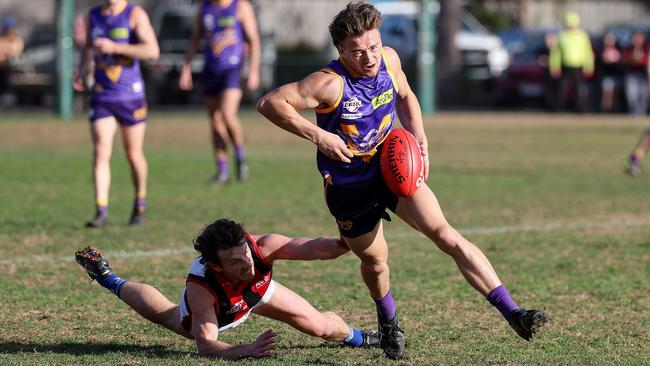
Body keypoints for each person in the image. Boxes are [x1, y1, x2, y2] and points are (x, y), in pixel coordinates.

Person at [257, 2, 547, 360]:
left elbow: (407, 97)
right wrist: (319, 137)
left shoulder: (390, 61)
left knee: (446, 235)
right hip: (350, 190)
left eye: (374, 47)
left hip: (390, 168)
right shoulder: (329, 84)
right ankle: (388, 319)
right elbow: (270, 103)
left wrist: (420, 138)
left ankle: (513, 312)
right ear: (342, 52)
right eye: (358, 52)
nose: (369, 58)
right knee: (377, 262)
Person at [75, 218, 379, 360]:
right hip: (219, 312)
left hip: (258, 294)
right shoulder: (201, 288)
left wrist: (347, 240)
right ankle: (108, 277)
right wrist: (244, 350)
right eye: (235, 262)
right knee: (164, 314)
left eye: (245, 253)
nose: (246, 264)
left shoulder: (260, 248)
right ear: (216, 265)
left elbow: (316, 248)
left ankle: (364, 337)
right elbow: (206, 346)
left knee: (323, 327)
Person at [74, 0, 159, 227]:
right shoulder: (93, 15)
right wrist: (82, 72)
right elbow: (89, 48)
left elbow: (152, 50)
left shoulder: (134, 14)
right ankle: (101, 210)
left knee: (133, 153)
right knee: (101, 149)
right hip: (102, 96)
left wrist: (116, 47)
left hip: (131, 96)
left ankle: (139, 204)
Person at [179, 0, 261, 185]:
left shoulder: (240, 6)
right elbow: (194, 39)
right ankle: (222, 171)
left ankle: (240, 156)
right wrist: (186, 68)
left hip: (232, 70)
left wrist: (254, 71)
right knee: (215, 120)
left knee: (227, 115)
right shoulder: (204, 7)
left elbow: (254, 41)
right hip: (210, 70)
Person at [549, 11, 594, 112]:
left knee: (579, 88)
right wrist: (554, 66)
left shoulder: (582, 35)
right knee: (560, 88)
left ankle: (580, 108)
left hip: (579, 66)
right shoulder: (562, 35)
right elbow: (556, 53)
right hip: (564, 65)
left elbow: (587, 52)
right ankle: (559, 108)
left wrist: (589, 66)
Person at [621, 31, 650, 116]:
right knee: (632, 95)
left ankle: (642, 113)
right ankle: (634, 114)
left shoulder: (646, 48)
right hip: (632, 75)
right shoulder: (628, 49)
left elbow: (647, 62)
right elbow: (625, 60)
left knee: (643, 95)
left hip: (643, 75)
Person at [0, 16, 24, 100]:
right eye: (7, 28)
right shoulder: (2, 39)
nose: (9, 30)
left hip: (12, 68)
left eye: (11, 28)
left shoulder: (17, 40)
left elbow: (15, 54)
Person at [598, 33, 622, 113]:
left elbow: (621, 64)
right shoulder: (601, 50)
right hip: (606, 76)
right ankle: (606, 110)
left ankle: (615, 109)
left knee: (615, 94)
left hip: (615, 75)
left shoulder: (618, 50)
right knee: (607, 94)